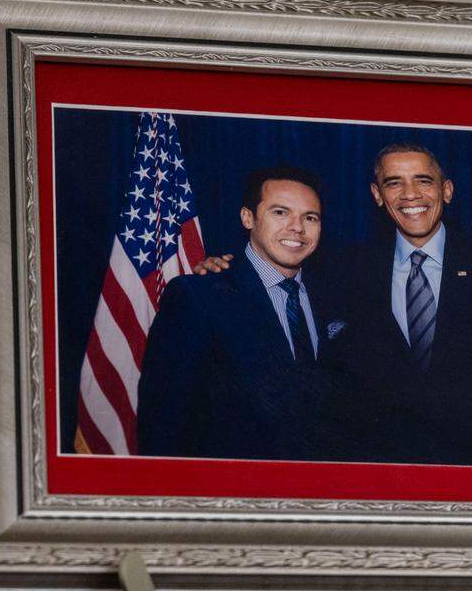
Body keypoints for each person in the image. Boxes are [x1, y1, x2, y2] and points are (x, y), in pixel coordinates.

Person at [197, 144, 472, 467]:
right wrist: (222, 269)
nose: (410, 195)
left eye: (423, 181)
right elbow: (273, 280)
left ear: (447, 190)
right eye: (394, 182)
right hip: (381, 480)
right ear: (377, 195)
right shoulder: (342, 270)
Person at [137, 166, 346, 460]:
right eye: (280, 212)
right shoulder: (198, 296)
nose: (297, 227)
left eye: (310, 217)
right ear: (248, 217)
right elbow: (162, 423)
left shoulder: (335, 295)